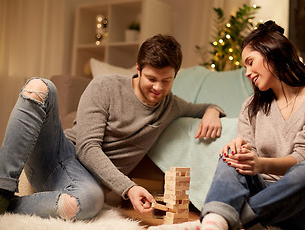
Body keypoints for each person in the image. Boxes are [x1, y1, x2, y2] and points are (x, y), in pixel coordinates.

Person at [0, 34, 225, 220]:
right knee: (41, 86)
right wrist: (128, 188)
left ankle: (9, 207)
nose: (158, 87)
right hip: (62, 155)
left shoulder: (171, 105)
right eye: (151, 78)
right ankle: (2, 189)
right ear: (138, 68)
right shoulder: (105, 86)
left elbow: (206, 107)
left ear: (175, 76)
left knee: (87, 201)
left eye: (166, 80)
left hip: (85, 182)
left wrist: (212, 111)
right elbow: (87, 147)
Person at [198, 21, 305, 230]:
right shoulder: (250, 107)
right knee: (232, 155)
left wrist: (260, 164)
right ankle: (214, 223)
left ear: (271, 52)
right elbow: (248, 163)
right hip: (263, 196)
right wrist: (241, 150)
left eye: (250, 62)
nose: (247, 72)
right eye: (245, 67)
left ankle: (234, 221)